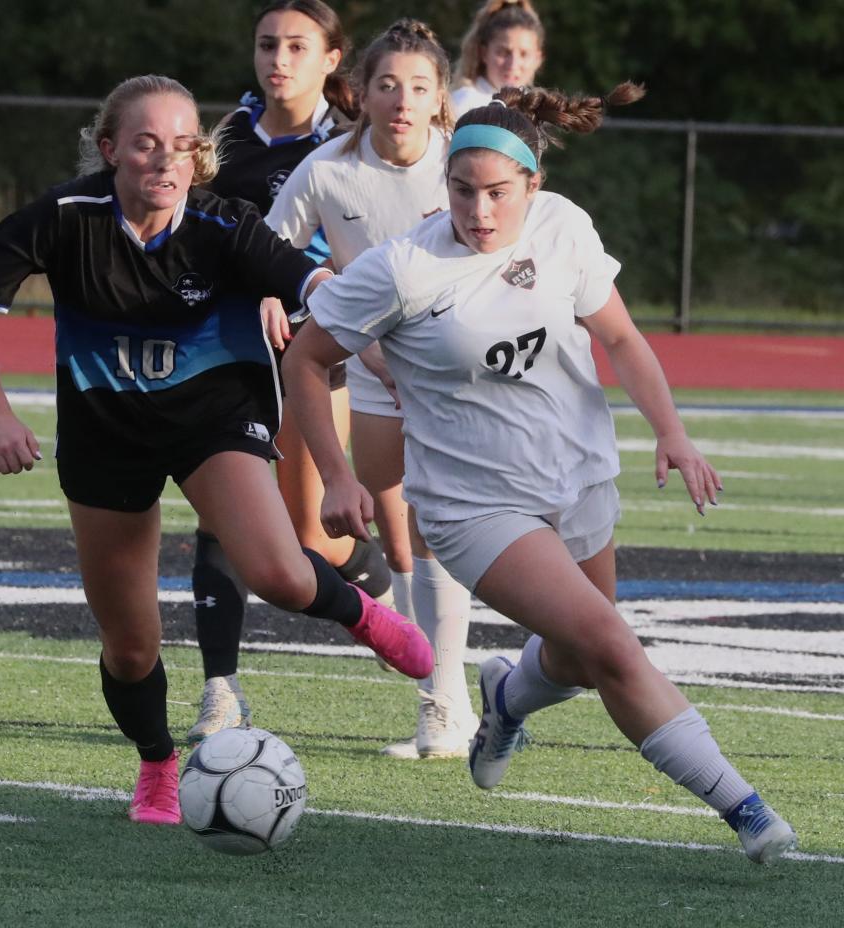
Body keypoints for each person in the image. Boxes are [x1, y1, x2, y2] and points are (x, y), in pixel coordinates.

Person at [282, 82, 798, 864]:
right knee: (612, 644)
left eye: (498, 193)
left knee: (582, 659)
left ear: (534, 186)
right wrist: (338, 473)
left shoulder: (564, 229)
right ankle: (748, 811)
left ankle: (506, 697)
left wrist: (674, 435)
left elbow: (620, 339)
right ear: (444, 184)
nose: (479, 212)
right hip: (473, 507)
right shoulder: (403, 267)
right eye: (462, 191)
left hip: (580, 478)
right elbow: (307, 358)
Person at [0, 74, 432, 827]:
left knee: (277, 570)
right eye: (144, 144)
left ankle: (362, 616)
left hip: (213, 416)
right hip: (106, 429)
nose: (165, 161)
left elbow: (322, 291)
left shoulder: (224, 225)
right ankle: (158, 762)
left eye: (182, 145)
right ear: (109, 151)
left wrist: (374, 354)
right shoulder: (67, 217)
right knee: (131, 646)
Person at [266, 18, 479, 760]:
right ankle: (425, 653)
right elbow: (266, 248)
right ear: (357, 92)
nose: (401, 99)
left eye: (419, 87)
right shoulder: (327, 169)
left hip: (459, 372)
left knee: (432, 518)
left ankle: (444, 701)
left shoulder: (461, 163)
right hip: (377, 375)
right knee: (391, 522)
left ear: (440, 98)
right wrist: (280, 290)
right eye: (386, 84)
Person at [186, 0, 394, 746]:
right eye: (268, 44)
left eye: (297, 46)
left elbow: (362, 257)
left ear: (332, 58)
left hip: (312, 355)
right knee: (220, 515)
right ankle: (219, 690)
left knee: (319, 538)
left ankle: (375, 592)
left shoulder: (344, 146)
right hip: (227, 351)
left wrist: (298, 288)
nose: (279, 59)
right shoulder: (222, 139)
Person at [451, 1, 545, 118]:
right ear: (484, 53)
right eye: (504, 52)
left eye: (524, 54)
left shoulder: (536, 109)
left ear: (538, 59)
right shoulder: (464, 104)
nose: (513, 64)